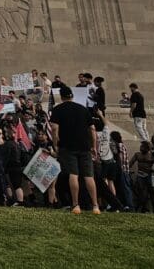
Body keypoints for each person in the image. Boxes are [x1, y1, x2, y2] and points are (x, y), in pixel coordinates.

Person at [49, 84, 99, 214]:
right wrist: (94, 146)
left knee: (73, 174)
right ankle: (95, 206)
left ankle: (75, 205)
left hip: (68, 146)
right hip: (85, 146)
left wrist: (55, 144)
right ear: (72, 95)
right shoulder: (83, 109)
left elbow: (54, 128)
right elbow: (92, 129)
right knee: (89, 176)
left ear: (61, 97)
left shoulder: (57, 109)